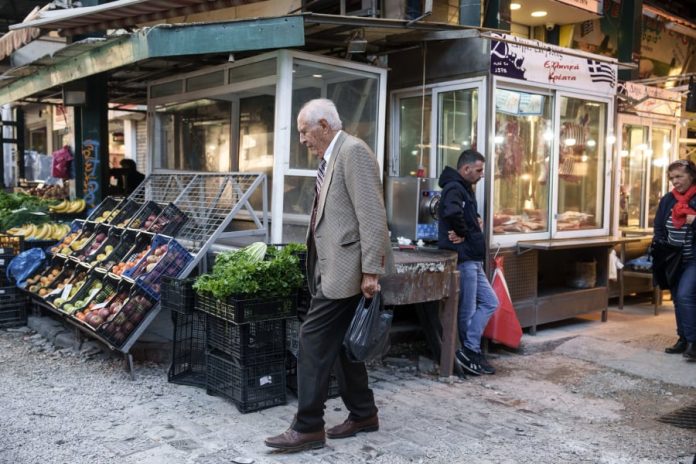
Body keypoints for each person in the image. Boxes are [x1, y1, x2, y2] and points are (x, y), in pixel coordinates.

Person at [265, 99, 393, 452]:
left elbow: (371, 213)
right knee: (338, 345)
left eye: (305, 132)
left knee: (312, 340)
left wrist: (372, 269)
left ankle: (307, 426)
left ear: (324, 125)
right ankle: (364, 413)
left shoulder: (353, 152)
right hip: (334, 267)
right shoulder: (333, 156)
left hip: (350, 271)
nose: (302, 140)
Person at [437, 149, 499, 376]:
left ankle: (470, 349)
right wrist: (463, 231)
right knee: (468, 309)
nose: (482, 174)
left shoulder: (464, 189)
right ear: (466, 169)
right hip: (464, 258)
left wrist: (474, 222)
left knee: (491, 302)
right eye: (479, 170)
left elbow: (461, 214)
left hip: (473, 257)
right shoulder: (455, 188)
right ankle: (469, 352)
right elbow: (451, 212)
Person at [652, 159, 696, 361]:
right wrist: (661, 246)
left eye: (679, 176)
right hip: (673, 259)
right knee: (678, 299)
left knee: (686, 296)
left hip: (693, 258)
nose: (675, 181)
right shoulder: (668, 199)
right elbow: (659, 226)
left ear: (692, 175)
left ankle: (694, 343)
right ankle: (683, 339)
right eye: (672, 178)